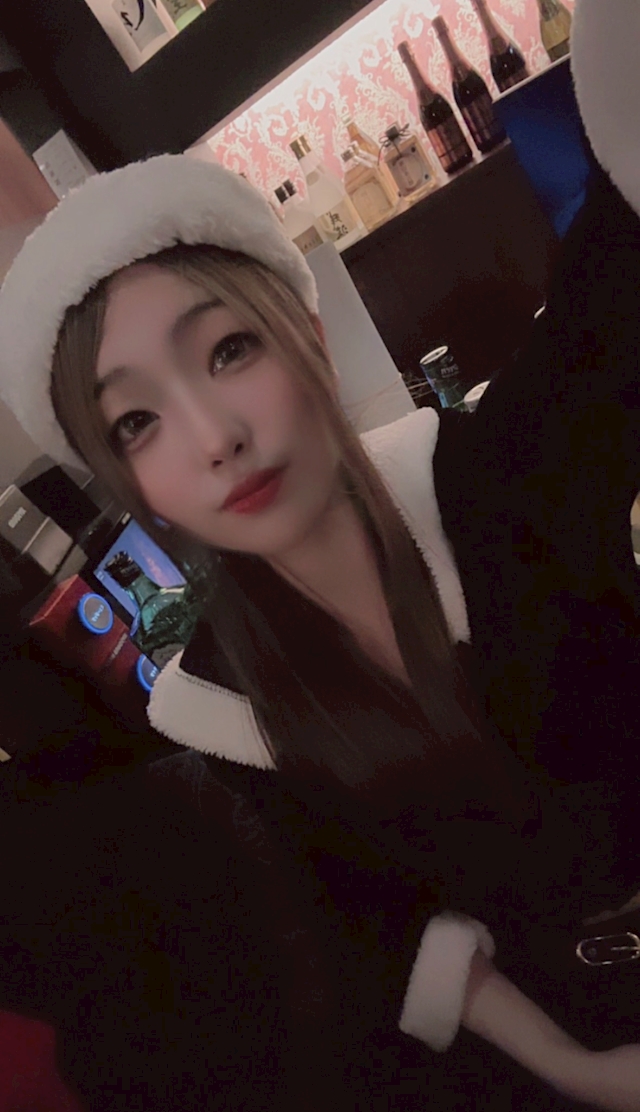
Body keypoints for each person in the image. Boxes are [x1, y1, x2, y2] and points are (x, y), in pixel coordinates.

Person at [0, 1, 639, 1107]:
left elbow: (621, 243)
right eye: (136, 422)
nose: (214, 437)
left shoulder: (504, 471)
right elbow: (391, 923)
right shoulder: (217, 702)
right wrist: (576, 1069)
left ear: (306, 334)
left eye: (227, 351)